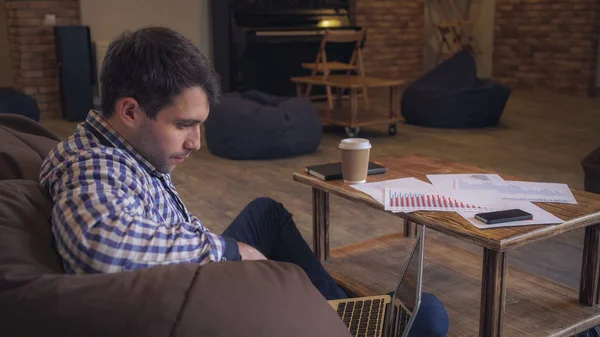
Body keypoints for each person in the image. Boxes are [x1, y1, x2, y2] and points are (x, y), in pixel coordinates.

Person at [39, 26, 448, 336]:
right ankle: (340, 319)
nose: (196, 143)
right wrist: (231, 251)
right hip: (200, 301)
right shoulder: (96, 167)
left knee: (267, 213)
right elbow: (101, 249)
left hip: (194, 275)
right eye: (184, 125)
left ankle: (338, 312)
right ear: (130, 111)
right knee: (429, 315)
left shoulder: (107, 144)